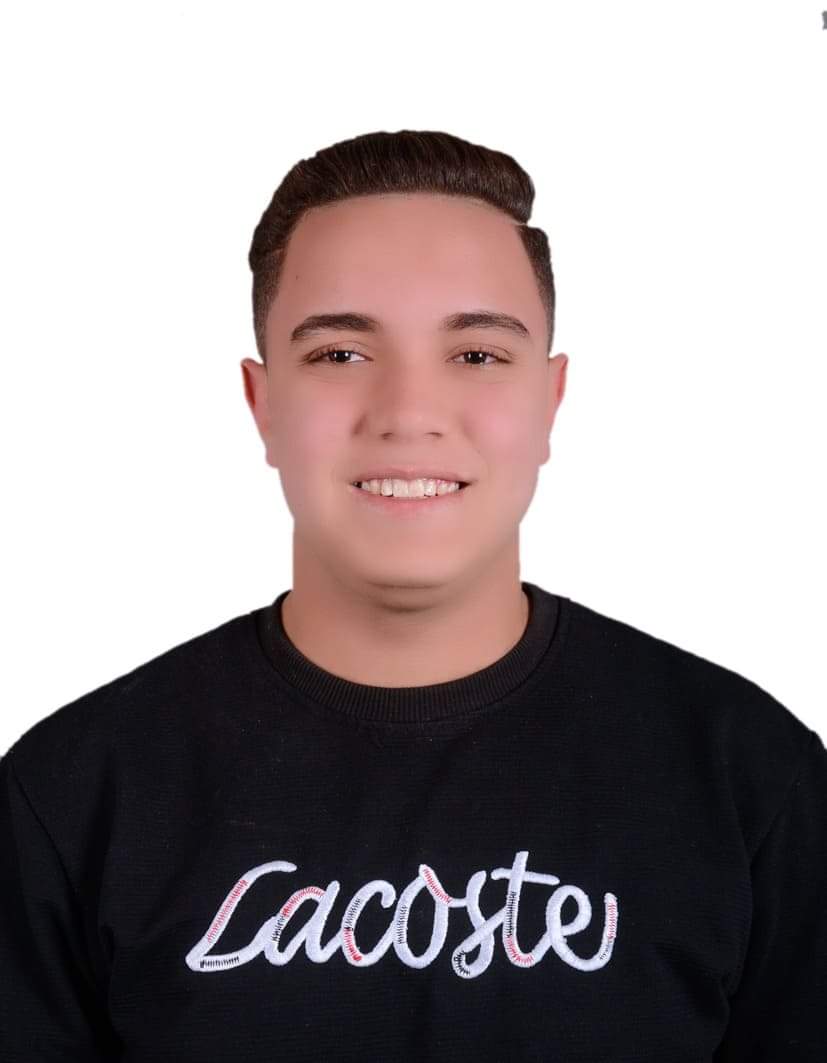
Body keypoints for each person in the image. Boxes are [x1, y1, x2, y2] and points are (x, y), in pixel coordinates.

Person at [1, 129, 824, 1062]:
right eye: (339, 354)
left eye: (476, 354)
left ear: (550, 400)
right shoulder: (75, 792)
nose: (407, 413)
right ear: (261, 404)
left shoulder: (749, 778)